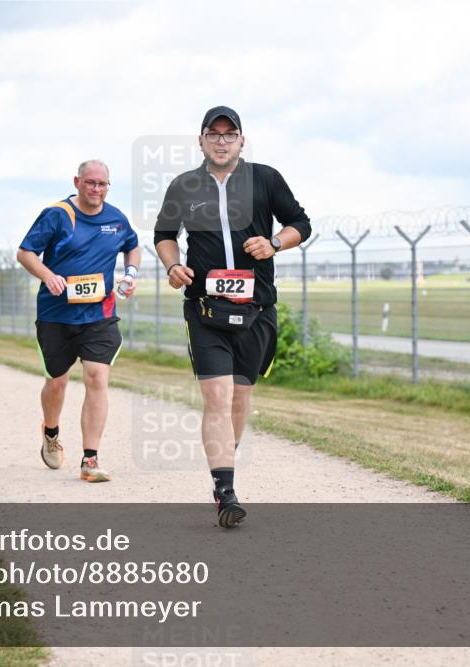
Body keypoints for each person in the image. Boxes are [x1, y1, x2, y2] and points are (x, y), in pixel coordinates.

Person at [154, 106, 312, 528]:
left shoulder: (265, 178)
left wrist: (275, 243)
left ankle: (226, 458)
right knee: (218, 397)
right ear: (201, 140)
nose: (221, 141)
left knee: (240, 396)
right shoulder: (184, 185)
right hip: (205, 309)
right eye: (213, 133)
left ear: (242, 140)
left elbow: (301, 223)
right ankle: (225, 491)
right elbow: (164, 236)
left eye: (230, 134)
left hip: (256, 307)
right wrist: (173, 268)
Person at [17, 159, 140, 483]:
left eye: (102, 184)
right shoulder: (57, 215)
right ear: (77, 182)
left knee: (97, 376)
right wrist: (48, 275)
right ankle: (51, 432)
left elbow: (133, 246)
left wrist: (130, 273)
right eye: (90, 183)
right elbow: (25, 252)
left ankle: (90, 459)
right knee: (57, 382)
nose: (96, 190)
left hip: (99, 315)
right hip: (56, 315)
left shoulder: (116, 219)